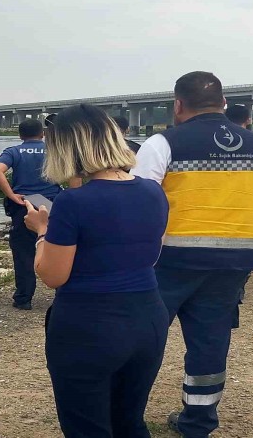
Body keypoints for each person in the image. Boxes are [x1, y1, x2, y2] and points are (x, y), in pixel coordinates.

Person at [132, 71, 253, 437]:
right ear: (225, 104)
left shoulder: (162, 143)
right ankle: (198, 422)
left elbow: (138, 202)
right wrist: (249, 236)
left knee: (143, 337)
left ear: (178, 105)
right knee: (210, 342)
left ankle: (126, 415)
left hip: (168, 261)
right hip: (235, 261)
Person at [23, 104, 169, 437]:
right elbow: (151, 252)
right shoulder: (153, 190)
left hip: (88, 324)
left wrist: (42, 231)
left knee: (86, 426)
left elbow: (52, 275)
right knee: (129, 421)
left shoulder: (74, 202)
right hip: (148, 317)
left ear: (67, 148)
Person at [0, 119, 63, 310]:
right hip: (51, 205)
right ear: (43, 134)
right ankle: (62, 296)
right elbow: (75, 175)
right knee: (58, 248)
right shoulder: (55, 150)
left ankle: (24, 299)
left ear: (20, 135)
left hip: (25, 204)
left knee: (23, 253)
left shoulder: (13, 151)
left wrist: (11, 195)